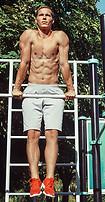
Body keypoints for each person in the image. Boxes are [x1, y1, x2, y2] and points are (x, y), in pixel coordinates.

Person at [13, 5, 75, 198]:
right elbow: (24, 62)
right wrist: (17, 87)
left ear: (53, 19)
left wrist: (70, 88)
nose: (45, 18)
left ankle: (49, 180)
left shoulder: (60, 37)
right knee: (32, 134)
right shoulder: (28, 35)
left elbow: (63, 63)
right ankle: (34, 180)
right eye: (41, 15)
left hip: (53, 90)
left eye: (48, 15)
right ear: (36, 19)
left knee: (52, 134)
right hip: (32, 88)